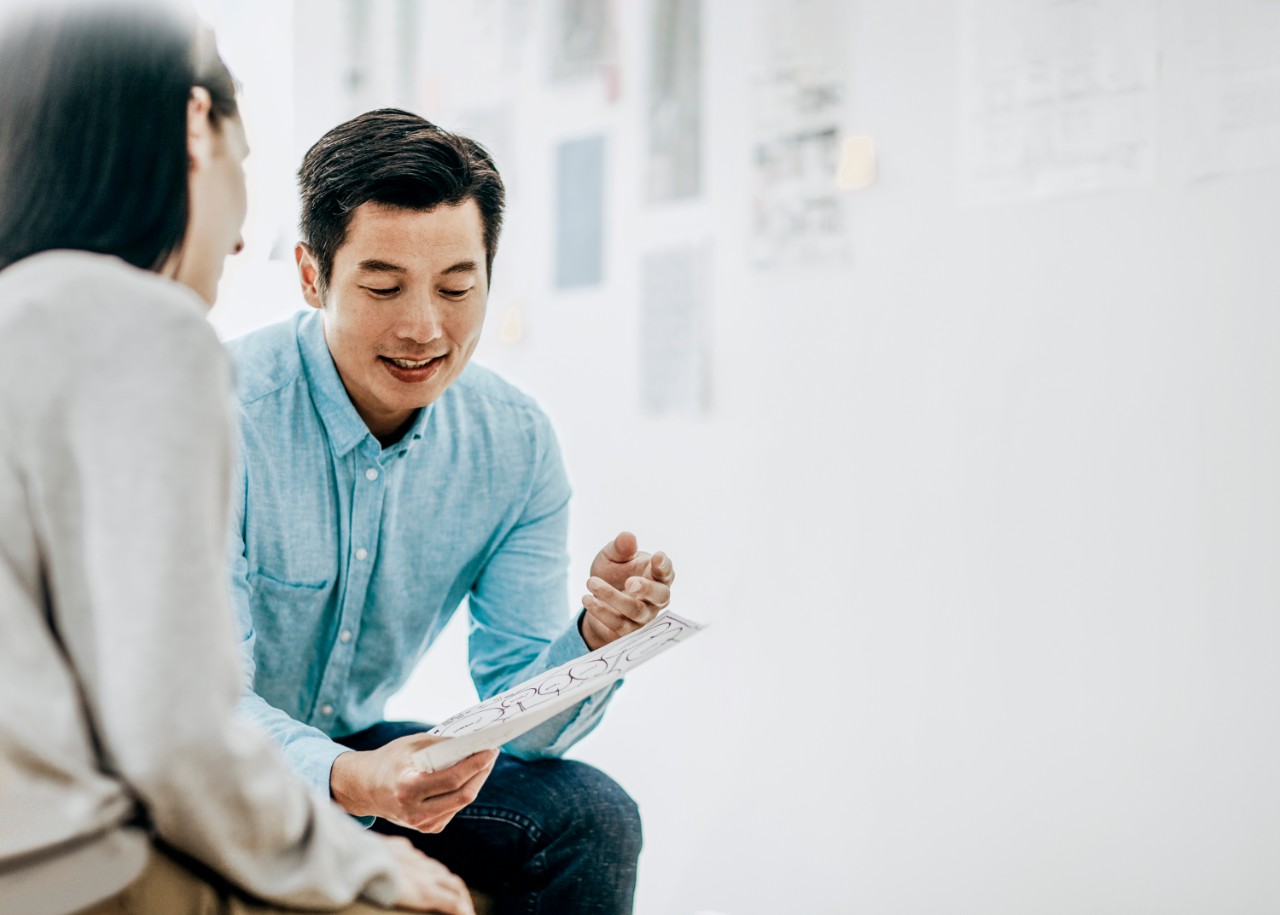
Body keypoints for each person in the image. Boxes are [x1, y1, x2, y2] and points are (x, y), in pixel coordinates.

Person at [0, 7, 472, 915]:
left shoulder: (23, 314)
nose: (241, 231)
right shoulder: (143, 329)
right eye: (245, 162)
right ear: (194, 126)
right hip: (55, 872)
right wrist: (364, 868)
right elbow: (176, 733)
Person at [227, 108, 677, 914]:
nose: (424, 328)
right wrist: (350, 779)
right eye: (382, 286)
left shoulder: (513, 445)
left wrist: (594, 644)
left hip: (350, 746)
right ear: (310, 275)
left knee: (590, 815)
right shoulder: (217, 416)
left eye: (457, 287)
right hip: (210, 756)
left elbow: (523, 722)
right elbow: (193, 700)